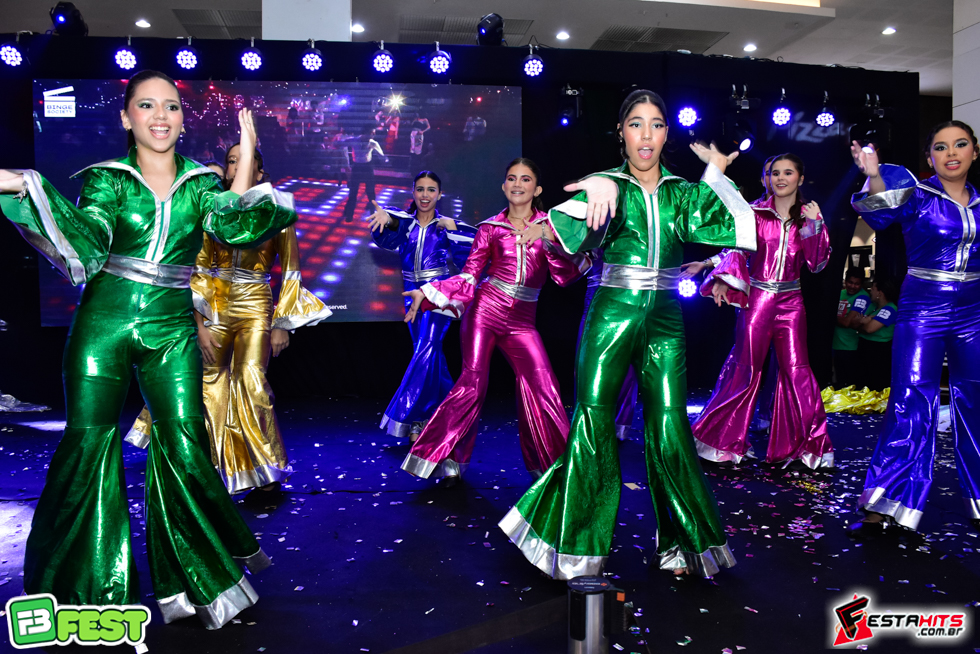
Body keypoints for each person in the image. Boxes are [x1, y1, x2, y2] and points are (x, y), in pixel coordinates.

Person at [0, 70, 296, 628]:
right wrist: (25, 185)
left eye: (171, 107)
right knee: (88, 445)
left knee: (185, 445)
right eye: (146, 105)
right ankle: (79, 591)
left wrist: (249, 144)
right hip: (103, 326)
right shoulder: (107, 180)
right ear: (125, 117)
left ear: (183, 118)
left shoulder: (200, 183)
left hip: (171, 329)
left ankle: (198, 584)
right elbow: (88, 240)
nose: (161, 116)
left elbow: (233, 222)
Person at [499, 90, 756, 579]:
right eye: (636, 123)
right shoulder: (609, 187)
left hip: (666, 319)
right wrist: (600, 184)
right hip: (611, 314)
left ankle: (685, 545)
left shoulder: (681, 192)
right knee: (593, 419)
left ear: (666, 133)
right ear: (621, 132)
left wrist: (716, 171)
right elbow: (577, 225)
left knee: (670, 424)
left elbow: (731, 223)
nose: (646, 134)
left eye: (656, 124)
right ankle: (575, 546)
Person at [128, 143, 331, 496]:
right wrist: (199, 324)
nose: (236, 165)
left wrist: (282, 323)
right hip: (216, 305)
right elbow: (198, 269)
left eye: (244, 159)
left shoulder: (278, 212)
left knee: (252, 382)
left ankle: (265, 469)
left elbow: (292, 270)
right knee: (210, 384)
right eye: (231, 160)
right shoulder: (214, 210)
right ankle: (210, 467)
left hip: (256, 304)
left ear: (259, 171)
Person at [400, 158, 590, 482]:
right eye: (512, 178)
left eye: (526, 179)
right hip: (485, 311)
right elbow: (470, 275)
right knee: (472, 384)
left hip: (523, 322)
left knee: (543, 384)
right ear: (504, 186)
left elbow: (567, 273)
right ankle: (447, 457)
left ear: (537, 189)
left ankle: (555, 464)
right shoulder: (490, 228)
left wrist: (548, 237)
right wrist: (429, 293)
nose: (518, 184)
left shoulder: (551, 226)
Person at [847, 120, 980, 536]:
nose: (951, 153)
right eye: (941, 147)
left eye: (960, 144)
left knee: (976, 399)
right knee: (911, 398)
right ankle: (886, 501)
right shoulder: (919, 195)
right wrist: (874, 176)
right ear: (929, 157)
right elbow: (879, 213)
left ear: (975, 151)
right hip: (924, 308)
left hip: (974, 312)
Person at [691, 153, 834, 469]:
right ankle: (721, 443)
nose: (780, 178)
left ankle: (807, 448)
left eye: (788, 172)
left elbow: (817, 263)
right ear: (766, 178)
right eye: (774, 173)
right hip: (757, 299)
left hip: (792, 302)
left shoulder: (808, 217)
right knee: (746, 368)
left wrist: (815, 224)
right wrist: (717, 272)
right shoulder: (753, 213)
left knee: (797, 371)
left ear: (800, 178)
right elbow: (737, 249)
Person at [368, 171, 476, 441]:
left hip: (437, 294)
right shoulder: (405, 224)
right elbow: (391, 226)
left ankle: (410, 416)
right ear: (413, 192)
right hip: (410, 294)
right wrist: (387, 219)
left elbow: (473, 255)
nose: (425, 195)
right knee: (429, 354)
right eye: (420, 189)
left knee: (426, 349)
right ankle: (448, 414)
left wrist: (454, 228)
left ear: (439, 194)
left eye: (431, 190)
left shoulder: (445, 224)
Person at [855, 276, 899, 392]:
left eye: (873, 289)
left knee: (876, 386)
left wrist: (866, 321)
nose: (870, 291)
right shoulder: (872, 307)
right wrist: (865, 321)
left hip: (878, 352)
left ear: (880, 292)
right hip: (864, 349)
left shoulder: (890, 309)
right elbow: (855, 323)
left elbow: (869, 328)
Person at [833, 268, 872, 388]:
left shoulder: (862, 297)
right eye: (850, 282)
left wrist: (828, 317)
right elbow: (848, 322)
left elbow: (846, 322)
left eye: (857, 284)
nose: (853, 286)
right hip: (835, 344)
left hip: (850, 347)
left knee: (849, 385)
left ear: (861, 284)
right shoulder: (840, 293)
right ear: (845, 281)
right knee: (838, 383)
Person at [342, 125, 385, 223]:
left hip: (367, 168)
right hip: (357, 167)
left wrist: (384, 159)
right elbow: (341, 143)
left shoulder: (373, 143)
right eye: (371, 133)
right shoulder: (354, 140)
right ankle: (349, 215)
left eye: (374, 133)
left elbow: (381, 155)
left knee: (370, 192)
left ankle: (373, 214)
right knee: (353, 192)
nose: (373, 135)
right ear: (365, 133)